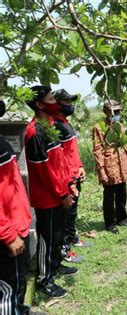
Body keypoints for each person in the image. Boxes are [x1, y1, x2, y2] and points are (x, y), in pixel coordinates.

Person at [25, 86, 78, 298]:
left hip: (59, 192)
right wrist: (61, 193)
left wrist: (69, 184)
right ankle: (43, 280)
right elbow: (45, 171)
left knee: (57, 234)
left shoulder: (49, 127)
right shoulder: (35, 131)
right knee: (47, 237)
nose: (56, 102)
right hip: (48, 197)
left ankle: (55, 266)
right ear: (39, 104)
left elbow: (60, 162)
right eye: (50, 99)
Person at [0, 99, 32, 314]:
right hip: (8, 232)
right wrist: (8, 234)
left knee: (18, 282)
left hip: (17, 223)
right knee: (8, 290)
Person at [53, 89, 89, 264]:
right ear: (56, 104)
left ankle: (72, 238)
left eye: (70, 102)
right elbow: (59, 160)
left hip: (75, 175)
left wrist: (80, 166)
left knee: (72, 213)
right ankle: (65, 250)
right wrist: (70, 182)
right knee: (65, 216)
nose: (70, 105)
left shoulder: (66, 123)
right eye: (66, 102)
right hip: (67, 180)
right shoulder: (55, 127)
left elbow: (72, 152)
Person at [92, 99, 127, 234]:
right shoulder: (99, 127)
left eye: (119, 111)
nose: (117, 113)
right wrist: (101, 170)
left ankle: (122, 218)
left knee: (122, 194)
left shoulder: (119, 125)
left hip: (121, 164)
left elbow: (124, 144)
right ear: (106, 112)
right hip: (109, 166)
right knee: (109, 196)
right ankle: (110, 223)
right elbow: (97, 150)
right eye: (114, 111)